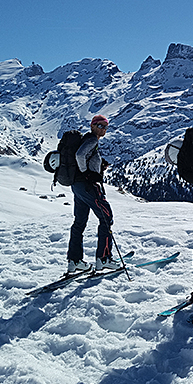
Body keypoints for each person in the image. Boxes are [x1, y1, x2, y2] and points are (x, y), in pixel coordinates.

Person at [67, 115, 115, 273]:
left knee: (79, 222)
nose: (103, 129)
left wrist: (98, 165)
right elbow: (80, 156)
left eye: (105, 127)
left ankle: (74, 261)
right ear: (92, 125)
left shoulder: (87, 139)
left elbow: (85, 157)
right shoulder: (92, 140)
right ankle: (104, 258)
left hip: (78, 187)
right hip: (88, 187)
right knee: (106, 217)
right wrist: (87, 173)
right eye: (100, 126)